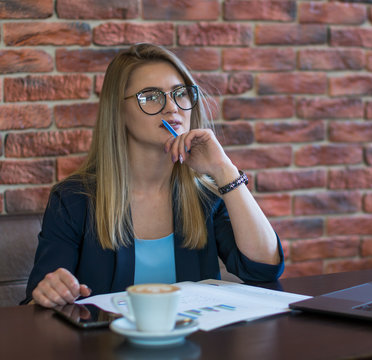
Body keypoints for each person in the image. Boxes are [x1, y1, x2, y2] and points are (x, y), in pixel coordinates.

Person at [23, 43, 284, 307]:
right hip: (103, 346)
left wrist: (224, 169)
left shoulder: (206, 195)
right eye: (151, 97)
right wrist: (50, 293)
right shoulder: (73, 199)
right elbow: (37, 305)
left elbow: (264, 270)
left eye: (180, 93)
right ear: (119, 111)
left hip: (195, 344)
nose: (172, 107)